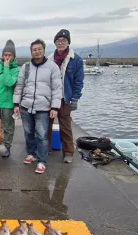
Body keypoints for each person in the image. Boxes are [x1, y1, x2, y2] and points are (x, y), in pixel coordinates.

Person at [13, 39, 62, 174]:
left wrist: (55, 107)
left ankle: (41, 161)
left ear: (44, 50)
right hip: (26, 106)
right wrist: (16, 103)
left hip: (43, 107)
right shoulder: (26, 67)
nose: (37, 51)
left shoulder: (52, 67)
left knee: (41, 135)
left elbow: (57, 89)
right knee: (28, 132)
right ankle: (31, 154)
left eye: (39, 49)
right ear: (31, 51)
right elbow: (19, 86)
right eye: (34, 49)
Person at [47, 29, 84, 163]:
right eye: (58, 40)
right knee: (46, 124)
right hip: (50, 97)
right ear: (55, 43)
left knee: (66, 126)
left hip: (65, 98)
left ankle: (68, 152)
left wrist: (75, 98)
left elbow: (78, 81)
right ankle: (46, 148)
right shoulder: (49, 59)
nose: (61, 42)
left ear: (68, 42)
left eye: (64, 40)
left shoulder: (76, 60)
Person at [0, 39, 20, 157]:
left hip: (7, 104)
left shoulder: (16, 69)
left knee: (7, 127)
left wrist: (7, 67)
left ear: (14, 56)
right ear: (2, 55)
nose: (7, 57)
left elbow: (9, 83)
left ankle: (6, 147)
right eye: (5, 55)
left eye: (10, 55)